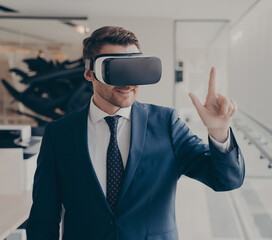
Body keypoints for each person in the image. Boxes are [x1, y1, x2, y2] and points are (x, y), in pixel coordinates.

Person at [26, 26, 245, 240]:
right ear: (90, 73)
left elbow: (226, 180)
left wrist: (218, 131)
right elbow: (43, 217)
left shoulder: (166, 124)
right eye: (115, 70)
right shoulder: (59, 133)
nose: (128, 81)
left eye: (134, 67)